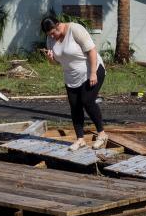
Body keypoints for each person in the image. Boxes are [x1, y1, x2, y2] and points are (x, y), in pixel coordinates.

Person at [41, 16, 108, 150]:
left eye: (53, 33)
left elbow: (92, 51)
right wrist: (50, 59)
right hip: (71, 77)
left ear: (59, 25)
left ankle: (102, 134)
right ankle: (80, 139)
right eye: (49, 35)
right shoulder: (50, 39)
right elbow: (56, 62)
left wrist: (93, 73)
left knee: (87, 101)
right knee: (75, 106)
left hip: (91, 70)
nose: (52, 36)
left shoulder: (75, 30)